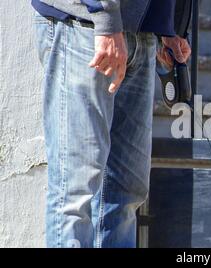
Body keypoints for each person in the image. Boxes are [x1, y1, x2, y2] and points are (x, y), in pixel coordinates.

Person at [32, 0, 192, 248]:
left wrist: (172, 27)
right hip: (87, 24)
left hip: (141, 31)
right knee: (75, 192)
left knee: (125, 192)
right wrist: (104, 16)